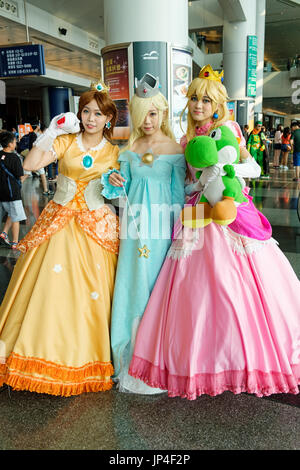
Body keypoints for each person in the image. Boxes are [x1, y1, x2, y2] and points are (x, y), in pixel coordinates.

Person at [128, 65, 300, 400]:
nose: (198, 105)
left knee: (238, 287)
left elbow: (254, 167)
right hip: (198, 215)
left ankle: (243, 355)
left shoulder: (230, 129)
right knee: (198, 292)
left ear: (217, 105)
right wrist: (199, 182)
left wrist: (227, 168)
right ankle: (203, 357)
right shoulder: (186, 140)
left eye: (206, 100)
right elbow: (189, 182)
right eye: (194, 98)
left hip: (232, 208)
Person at [0, 81, 120, 396]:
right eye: (86, 111)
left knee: (96, 292)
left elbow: (119, 188)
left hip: (97, 224)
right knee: (49, 289)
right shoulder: (66, 141)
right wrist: (51, 132)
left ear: (108, 118)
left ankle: (89, 356)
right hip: (60, 222)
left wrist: (116, 185)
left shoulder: (114, 151)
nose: (91, 118)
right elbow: (29, 164)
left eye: (98, 113)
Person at [103, 73, 186, 394]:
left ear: (162, 112)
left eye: (152, 113)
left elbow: (178, 196)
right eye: (142, 114)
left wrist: (180, 233)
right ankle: (129, 356)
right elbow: (115, 189)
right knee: (133, 284)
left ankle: (159, 358)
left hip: (162, 231)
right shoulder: (129, 148)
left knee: (158, 288)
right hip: (133, 229)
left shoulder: (176, 149)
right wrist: (113, 180)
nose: (147, 120)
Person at [0, 131, 26, 250]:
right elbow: (20, 176)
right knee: (16, 218)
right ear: (10, 144)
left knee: (11, 212)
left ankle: (4, 233)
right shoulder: (15, 158)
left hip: (2, 192)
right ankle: (15, 242)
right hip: (13, 193)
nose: (16, 143)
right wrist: (27, 175)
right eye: (15, 141)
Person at [20, 121, 54, 196]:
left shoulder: (32, 134)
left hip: (32, 157)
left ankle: (16, 187)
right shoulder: (37, 135)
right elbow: (35, 147)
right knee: (42, 173)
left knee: (27, 174)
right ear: (38, 127)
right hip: (36, 158)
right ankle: (46, 190)